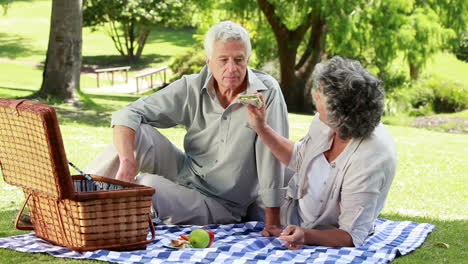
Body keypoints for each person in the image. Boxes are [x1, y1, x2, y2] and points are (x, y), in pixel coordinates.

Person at [84, 21, 289, 236]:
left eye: (239, 60)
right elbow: (128, 113)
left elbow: (272, 156)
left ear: (247, 59)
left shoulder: (266, 93)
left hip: (221, 202)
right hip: (187, 172)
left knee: (147, 185)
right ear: (208, 61)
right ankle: (71, 202)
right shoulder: (192, 86)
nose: (232, 68)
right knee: (138, 135)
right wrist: (128, 161)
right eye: (223, 60)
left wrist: (273, 221)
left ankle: (94, 219)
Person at [244, 56, 397, 248]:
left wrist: (305, 236)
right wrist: (262, 127)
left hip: (325, 231)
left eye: (321, 93)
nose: (315, 94)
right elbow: (299, 157)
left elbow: (350, 235)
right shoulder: (326, 123)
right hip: (292, 211)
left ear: (342, 110)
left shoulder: (370, 157)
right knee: (245, 191)